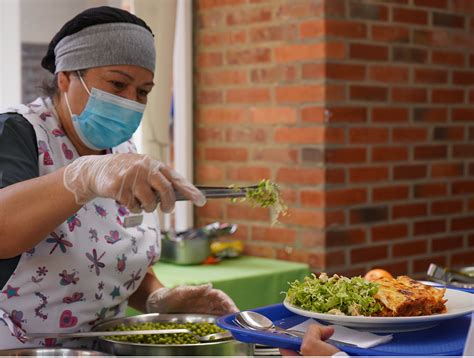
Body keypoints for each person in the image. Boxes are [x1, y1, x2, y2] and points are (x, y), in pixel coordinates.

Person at [0, 6, 237, 349]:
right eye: (117, 84)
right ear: (65, 78)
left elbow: (114, 262)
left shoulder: (122, 151)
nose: (130, 102)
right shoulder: (18, 133)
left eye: (142, 92)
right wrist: (82, 177)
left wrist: (158, 299)